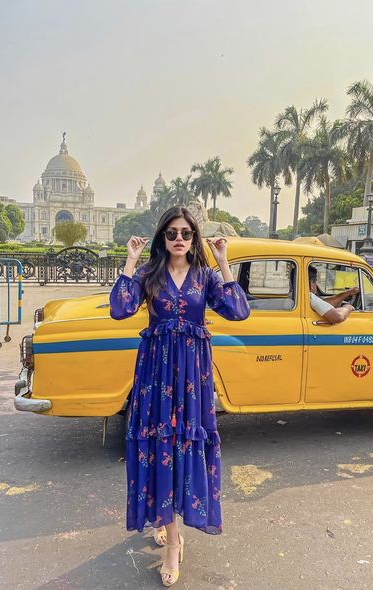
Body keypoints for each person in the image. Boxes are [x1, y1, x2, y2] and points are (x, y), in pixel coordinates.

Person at [109, 206, 250, 587]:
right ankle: (170, 535)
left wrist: (223, 262)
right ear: (162, 237)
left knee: (184, 444)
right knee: (160, 445)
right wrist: (130, 259)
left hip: (192, 378)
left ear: (194, 238)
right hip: (156, 376)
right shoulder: (148, 274)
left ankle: (173, 536)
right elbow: (120, 309)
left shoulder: (204, 277)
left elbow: (238, 311)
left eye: (186, 234)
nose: (179, 240)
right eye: (172, 233)